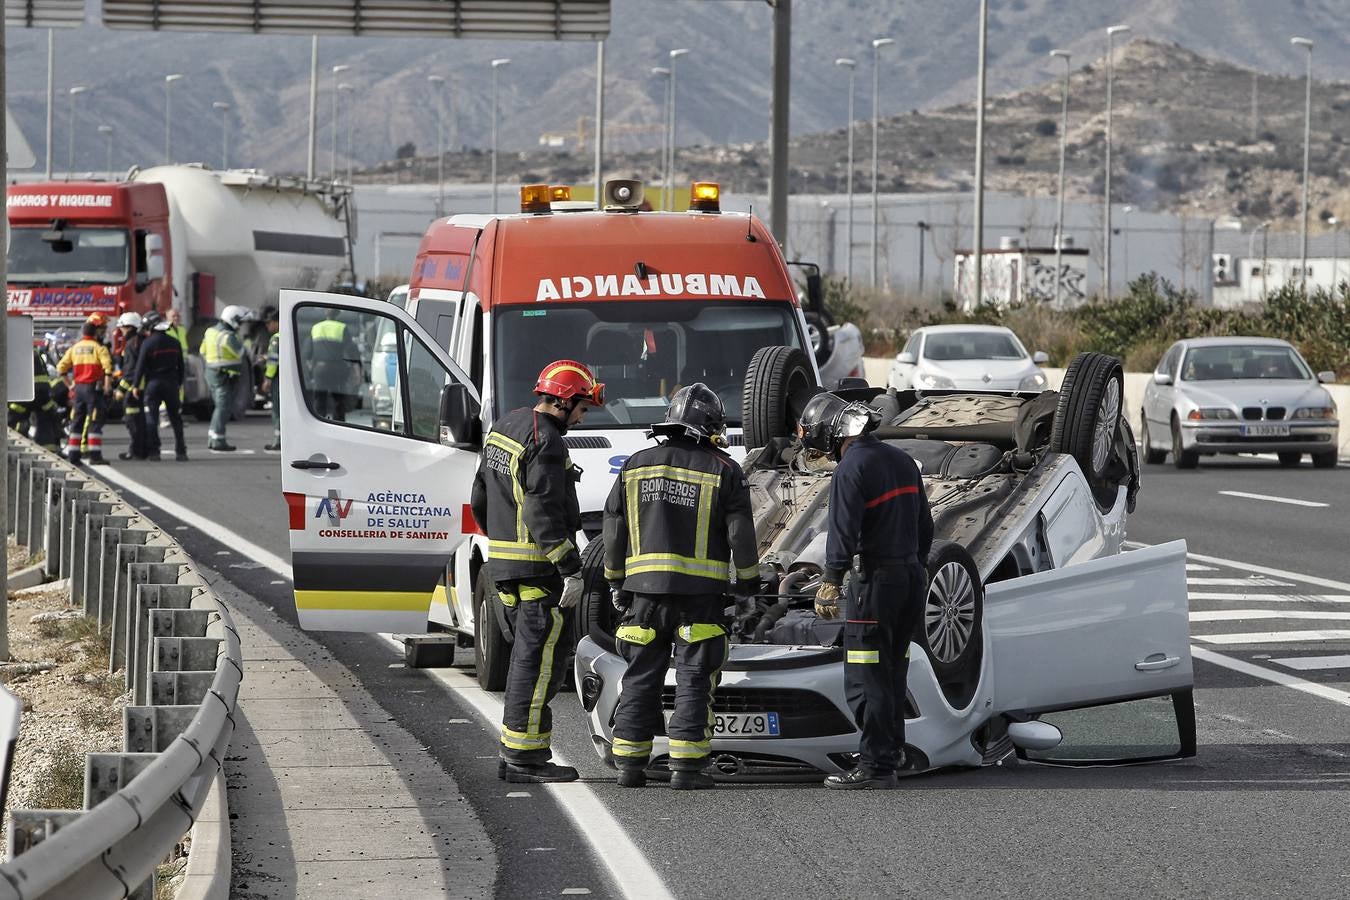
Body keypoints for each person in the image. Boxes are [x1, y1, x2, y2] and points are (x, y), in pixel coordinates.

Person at [602, 383, 760, 790]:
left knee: (639, 677)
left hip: (643, 597)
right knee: (694, 678)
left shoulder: (634, 464)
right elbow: (740, 532)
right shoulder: (723, 468)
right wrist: (748, 584)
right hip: (700, 599)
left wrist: (615, 580)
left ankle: (629, 767)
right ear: (710, 426)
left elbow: (614, 526)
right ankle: (686, 769)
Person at [469, 360, 603, 784]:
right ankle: (525, 759)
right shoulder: (547, 441)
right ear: (564, 401)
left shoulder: (504, 427)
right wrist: (569, 567)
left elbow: (479, 496)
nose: (582, 417)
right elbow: (541, 509)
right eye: (582, 408)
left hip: (504, 566)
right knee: (541, 662)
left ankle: (518, 753)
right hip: (538, 570)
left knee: (524, 659)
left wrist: (502, 545)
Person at [799, 391, 933, 790]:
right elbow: (925, 526)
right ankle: (891, 755)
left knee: (864, 675)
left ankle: (875, 765)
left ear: (828, 434)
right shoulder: (902, 460)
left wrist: (831, 580)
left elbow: (842, 531)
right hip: (909, 577)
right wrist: (913, 566)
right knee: (893, 671)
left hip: (874, 583)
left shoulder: (851, 468)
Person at [131, 312, 189, 461]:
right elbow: (181, 366)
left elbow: (140, 366)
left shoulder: (147, 343)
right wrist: (180, 383)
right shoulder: (174, 342)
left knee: (152, 418)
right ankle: (181, 451)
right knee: (176, 418)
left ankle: (154, 451)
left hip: (153, 384)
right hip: (171, 384)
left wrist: (135, 385)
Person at [56, 321, 114, 465]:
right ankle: (95, 456)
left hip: (79, 389)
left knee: (77, 422)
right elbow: (108, 369)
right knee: (95, 422)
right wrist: (107, 387)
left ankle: (73, 456)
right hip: (93, 389)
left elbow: (61, 368)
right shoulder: (99, 348)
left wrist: (70, 385)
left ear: (83, 333)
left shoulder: (74, 348)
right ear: (94, 333)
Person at [200, 305, 253, 451]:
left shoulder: (210, 331)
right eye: (240, 322)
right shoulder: (227, 336)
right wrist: (247, 346)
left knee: (220, 407)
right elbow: (241, 353)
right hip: (223, 376)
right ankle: (218, 440)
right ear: (233, 320)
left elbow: (202, 351)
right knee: (223, 408)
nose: (241, 325)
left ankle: (213, 438)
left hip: (212, 373)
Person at [307, 308, 357, 422]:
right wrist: (356, 369)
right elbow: (351, 350)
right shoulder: (342, 327)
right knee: (338, 400)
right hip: (336, 369)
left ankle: (319, 423)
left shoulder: (316, 328)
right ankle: (339, 425)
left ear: (326, 313)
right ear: (338, 314)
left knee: (320, 399)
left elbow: (308, 353)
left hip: (319, 370)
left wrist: (312, 371)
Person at [114, 312, 146, 460]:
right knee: (139, 420)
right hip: (140, 387)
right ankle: (140, 450)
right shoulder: (140, 341)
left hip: (133, 388)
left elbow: (131, 370)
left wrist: (121, 389)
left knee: (132, 420)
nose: (121, 331)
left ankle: (136, 451)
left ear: (129, 327)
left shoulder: (132, 344)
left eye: (122, 328)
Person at [259, 308, 281, 451]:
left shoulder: (276, 338)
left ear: (277, 322)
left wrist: (267, 378)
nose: (267, 326)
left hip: (278, 378)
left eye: (269, 323)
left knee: (278, 411)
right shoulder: (290, 333)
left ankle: (278, 441)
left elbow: (274, 360)